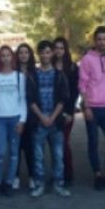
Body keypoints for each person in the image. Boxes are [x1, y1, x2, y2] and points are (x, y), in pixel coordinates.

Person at [79, 25, 105, 190]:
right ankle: (97, 174)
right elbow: (83, 84)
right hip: (93, 108)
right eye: (99, 39)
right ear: (94, 40)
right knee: (94, 142)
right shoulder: (87, 59)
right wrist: (86, 106)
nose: (102, 42)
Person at [28, 40, 71, 198]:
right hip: (38, 121)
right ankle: (39, 184)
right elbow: (30, 99)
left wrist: (52, 117)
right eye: (42, 52)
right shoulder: (32, 75)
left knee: (58, 155)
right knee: (38, 156)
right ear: (38, 54)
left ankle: (58, 184)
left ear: (52, 53)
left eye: (48, 52)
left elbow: (63, 99)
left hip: (55, 122)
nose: (45, 55)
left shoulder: (59, 75)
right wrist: (41, 117)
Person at [0, 45, 26, 197]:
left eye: (8, 55)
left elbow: (22, 99)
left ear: (12, 57)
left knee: (14, 153)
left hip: (14, 118)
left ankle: (9, 182)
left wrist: (22, 120)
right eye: (2, 55)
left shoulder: (19, 77)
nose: (5, 58)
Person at [53, 37, 79, 187]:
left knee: (63, 142)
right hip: (51, 110)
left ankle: (68, 173)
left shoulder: (73, 68)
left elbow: (75, 92)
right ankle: (57, 173)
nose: (58, 51)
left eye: (61, 48)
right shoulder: (48, 66)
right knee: (54, 144)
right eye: (56, 48)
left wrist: (69, 112)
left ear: (66, 50)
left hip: (66, 110)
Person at [14, 43, 37, 190]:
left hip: (31, 114)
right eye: (21, 52)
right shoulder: (12, 72)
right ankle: (15, 176)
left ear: (30, 55)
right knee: (15, 147)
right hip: (15, 113)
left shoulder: (35, 73)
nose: (23, 55)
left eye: (26, 52)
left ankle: (32, 176)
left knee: (30, 147)